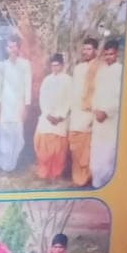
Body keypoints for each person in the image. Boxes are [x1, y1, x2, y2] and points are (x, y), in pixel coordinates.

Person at [68, 37, 101, 188]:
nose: (86, 52)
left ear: (95, 51)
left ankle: (86, 177)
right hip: (76, 112)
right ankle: (77, 176)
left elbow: (99, 91)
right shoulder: (78, 68)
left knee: (86, 146)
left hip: (90, 112)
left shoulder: (99, 68)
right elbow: (74, 90)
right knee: (75, 145)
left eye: (89, 49)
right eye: (84, 49)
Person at [0, 35, 32, 173]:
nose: (12, 49)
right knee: (5, 136)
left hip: (19, 105)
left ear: (18, 48)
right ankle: (4, 165)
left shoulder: (25, 64)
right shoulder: (3, 65)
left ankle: (13, 164)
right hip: (5, 105)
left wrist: (26, 107)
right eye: (9, 47)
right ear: (7, 48)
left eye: (14, 46)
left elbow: (27, 85)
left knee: (18, 138)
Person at [90, 38, 123, 188]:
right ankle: (96, 184)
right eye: (106, 54)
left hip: (111, 120)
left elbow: (120, 96)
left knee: (108, 154)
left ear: (117, 54)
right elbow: (96, 93)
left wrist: (106, 112)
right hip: (98, 119)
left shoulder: (121, 71)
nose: (109, 57)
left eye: (112, 54)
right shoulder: (101, 72)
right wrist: (96, 110)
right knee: (97, 152)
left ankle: (106, 185)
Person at [34, 53, 72, 181]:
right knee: (43, 147)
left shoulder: (68, 80)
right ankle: (44, 172)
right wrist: (48, 115)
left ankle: (56, 173)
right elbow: (42, 99)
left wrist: (61, 116)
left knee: (58, 150)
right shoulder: (47, 80)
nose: (55, 68)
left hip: (61, 119)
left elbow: (69, 99)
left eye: (57, 66)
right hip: (47, 118)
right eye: (53, 66)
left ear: (62, 65)